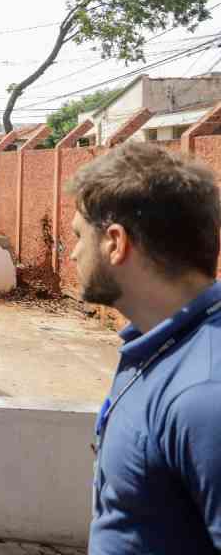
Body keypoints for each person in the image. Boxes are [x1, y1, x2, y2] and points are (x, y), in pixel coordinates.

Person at [69, 143, 221, 554]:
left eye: (79, 236)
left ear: (115, 243)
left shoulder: (205, 392)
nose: (73, 253)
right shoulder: (158, 346)